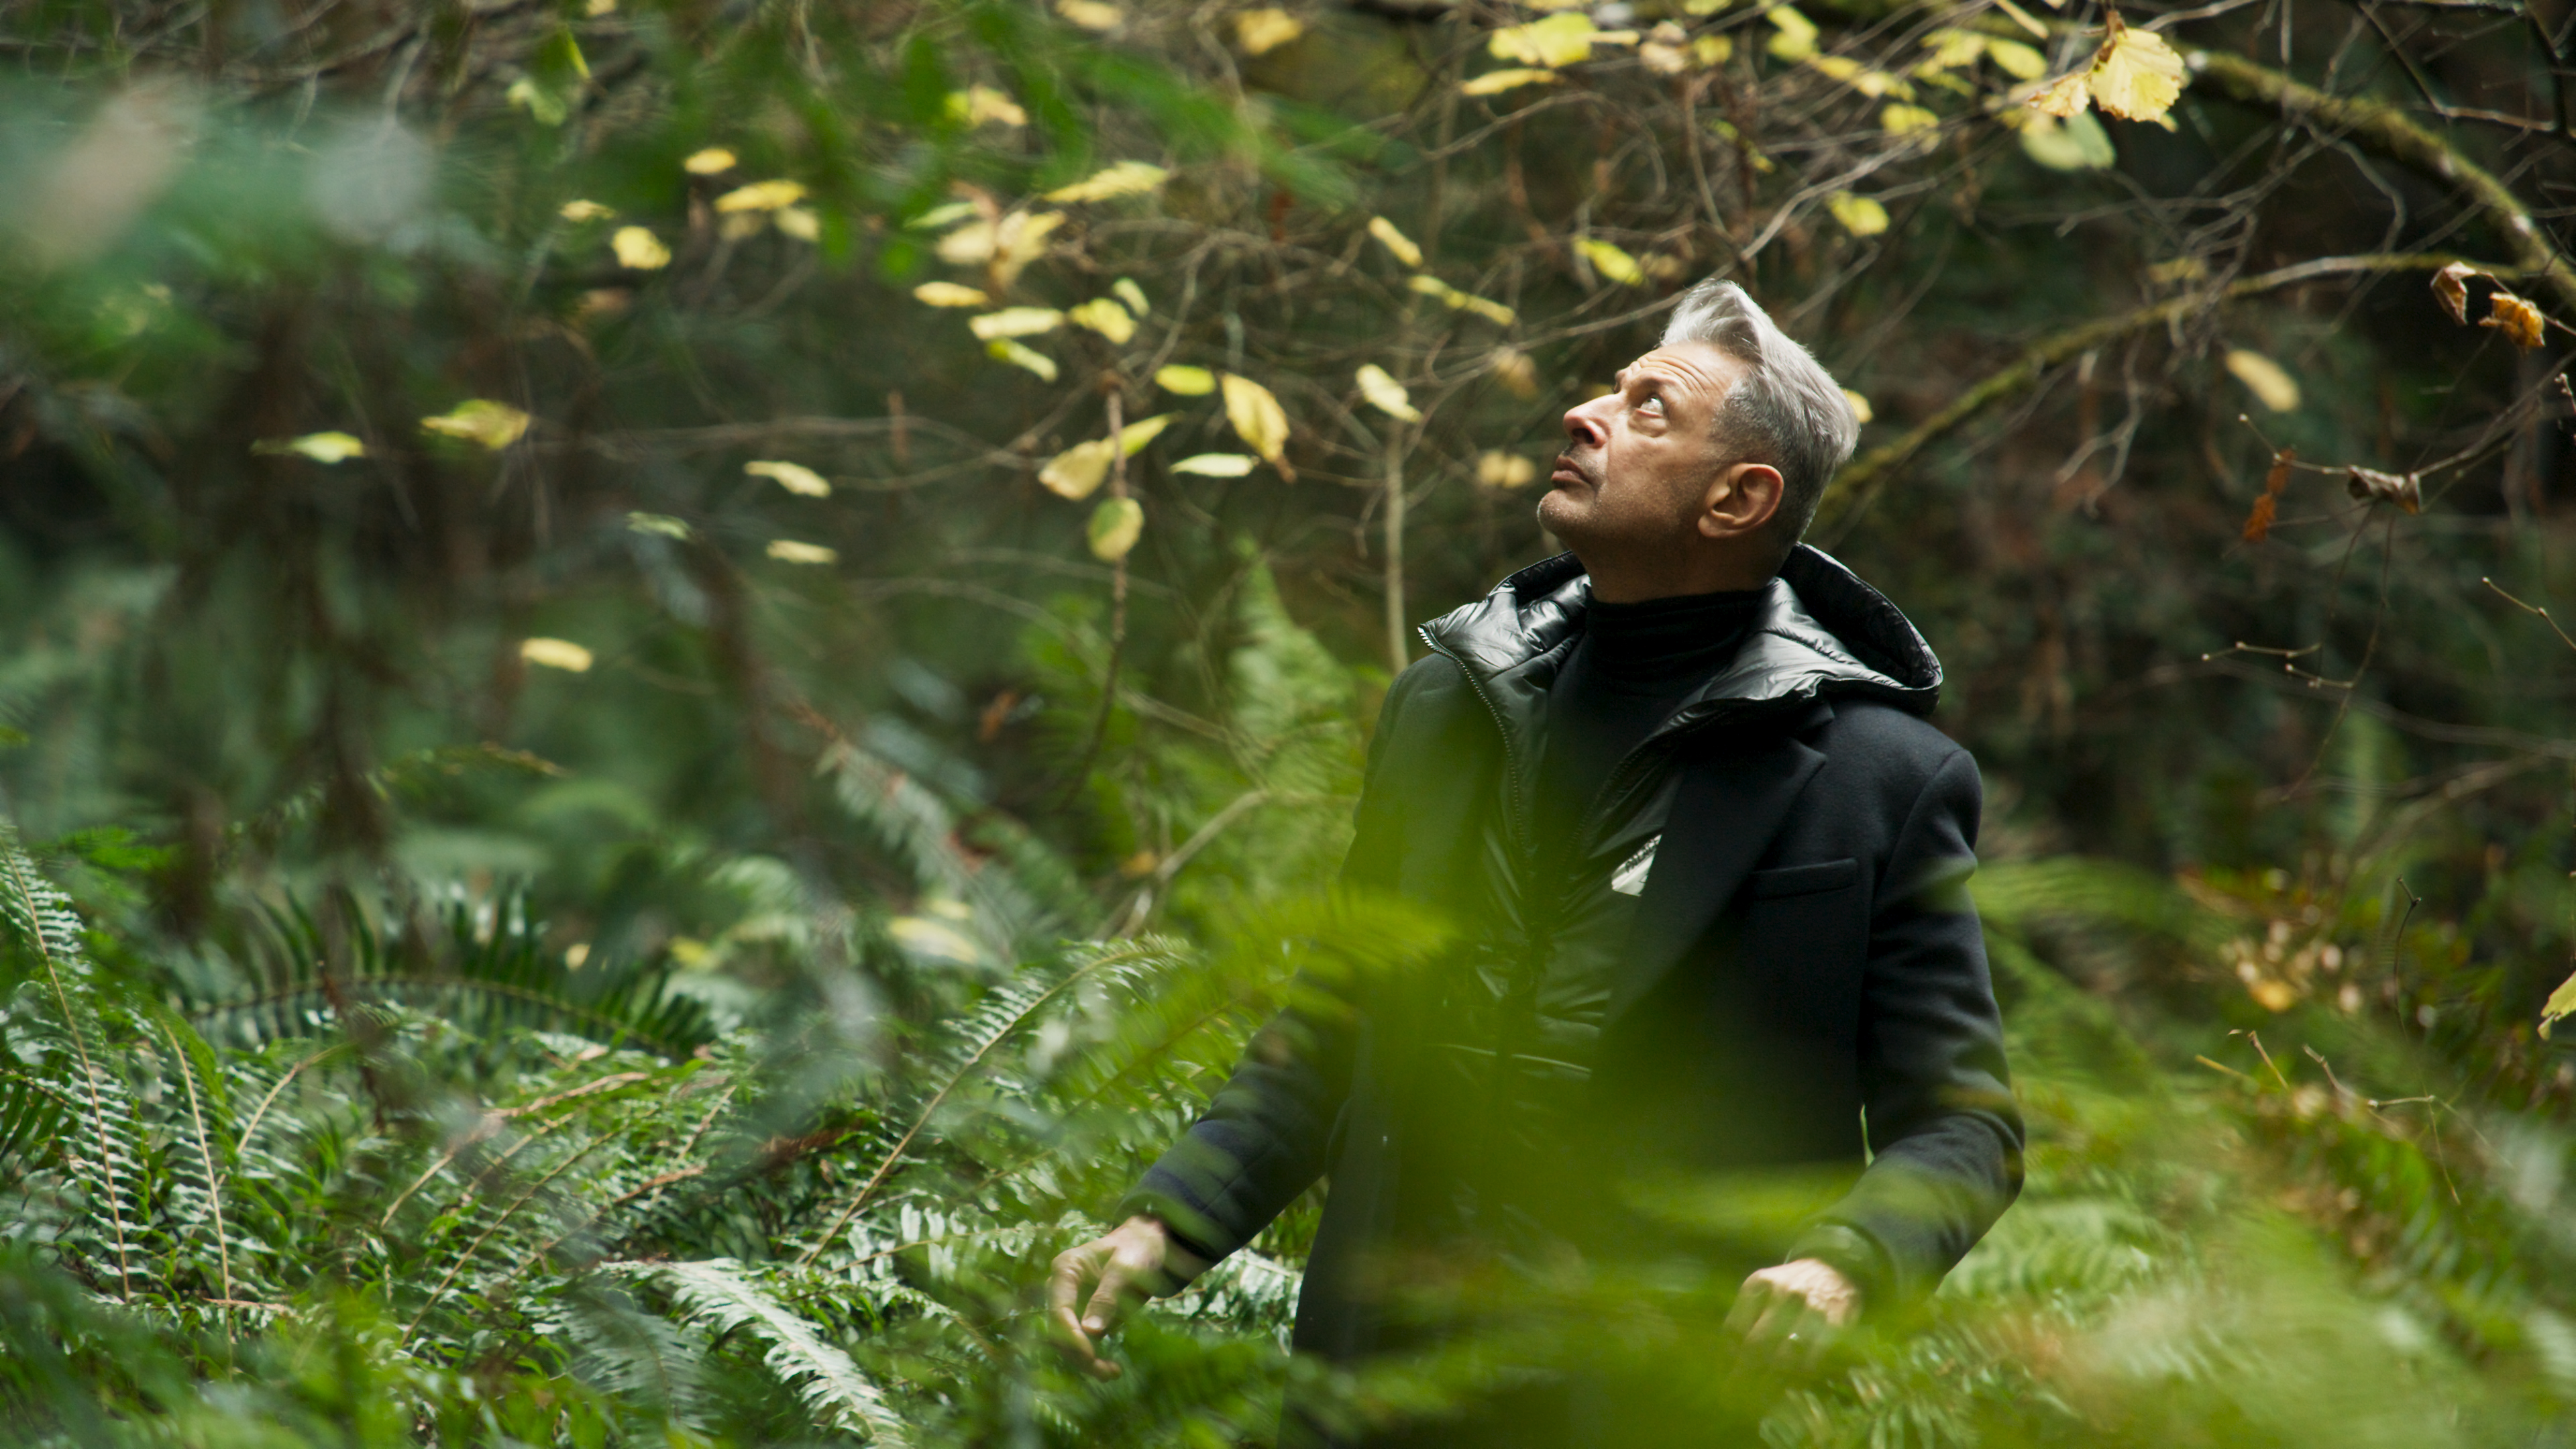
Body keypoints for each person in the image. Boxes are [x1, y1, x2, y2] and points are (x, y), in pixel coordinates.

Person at [1046, 278, 2023, 1446]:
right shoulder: (1440, 712)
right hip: (1373, 1380)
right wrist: (1170, 1220)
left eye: (1649, 406)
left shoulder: (1881, 779)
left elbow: (1964, 1126)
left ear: (1738, 498)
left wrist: (1850, 1258)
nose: (1583, 414)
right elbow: (1336, 1023)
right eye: (1610, 387)